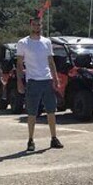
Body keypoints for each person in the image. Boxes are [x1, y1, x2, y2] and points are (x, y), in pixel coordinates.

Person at [16, 16, 63, 152]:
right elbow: (19, 63)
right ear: (30, 25)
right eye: (35, 25)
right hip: (33, 81)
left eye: (39, 25)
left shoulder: (47, 42)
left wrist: (55, 78)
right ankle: (30, 139)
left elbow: (50, 61)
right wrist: (20, 81)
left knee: (51, 111)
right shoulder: (23, 43)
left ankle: (54, 138)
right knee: (32, 112)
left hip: (47, 80)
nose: (37, 27)